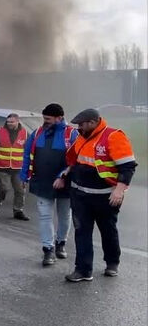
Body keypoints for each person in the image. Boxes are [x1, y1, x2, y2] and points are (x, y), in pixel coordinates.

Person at [62, 108, 137, 282]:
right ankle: (83, 270)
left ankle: (112, 263)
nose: (78, 128)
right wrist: (64, 175)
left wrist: (119, 190)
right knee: (81, 232)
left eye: (82, 124)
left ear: (93, 122)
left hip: (105, 197)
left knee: (108, 231)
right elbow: (75, 161)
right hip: (80, 196)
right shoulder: (82, 137)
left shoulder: (113, 136)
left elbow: (127, 167)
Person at [20, 103, 78, 266]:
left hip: (65, 182)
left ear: (59, 118)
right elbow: (27, 153)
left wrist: (62, 176)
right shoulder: (38, 133)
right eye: (44, 118)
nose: (44, 121)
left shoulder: (71, 134)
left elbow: (75, 159)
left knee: (64, 215)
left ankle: (61, 243)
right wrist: (24, 175)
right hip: (42, 181)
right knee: (45, 216)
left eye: (48, 119)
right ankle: (48, 249)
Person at [0, 113, 30, 220]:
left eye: (12, 122)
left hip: (18, 167)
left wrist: (29, 164)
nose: (9, 124)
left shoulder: (25, 134)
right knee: (4, 187)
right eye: (8, 122)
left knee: (20, 190)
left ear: (17, 122)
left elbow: (28, 151)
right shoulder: (0, 132)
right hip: (3, 165)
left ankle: (18, 211)